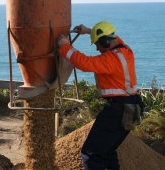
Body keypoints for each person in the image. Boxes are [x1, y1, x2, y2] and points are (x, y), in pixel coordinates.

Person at [57, 21, 140, 170]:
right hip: (130, 108)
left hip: (116, 112)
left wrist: (65, 47)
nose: (97, 48)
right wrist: (88, 31)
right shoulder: (125, 50)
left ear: (105, 41)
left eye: (97, 44)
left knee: (91, 154)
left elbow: (85, 63)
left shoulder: (110, 59)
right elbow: (110, 37)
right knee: (107, 152)